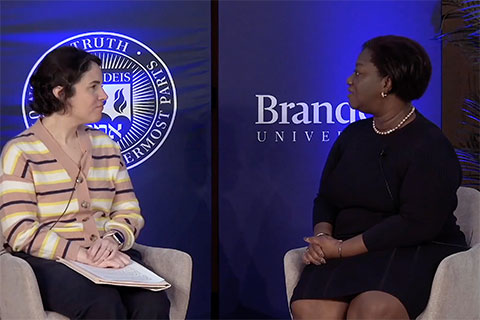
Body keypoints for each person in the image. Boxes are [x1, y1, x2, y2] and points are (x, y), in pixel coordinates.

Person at [290, 35, 468, 320]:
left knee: (370, 310)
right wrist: (323, 239)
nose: (350, 80)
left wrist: (340, 249)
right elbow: (326, 199)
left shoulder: (429, 145)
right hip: (349, 250)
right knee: (310, 308)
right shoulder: (353, 136)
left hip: (412, 248)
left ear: (386, 84)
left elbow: (416, 223)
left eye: (359, 73)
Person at [0, 46, 170, 319]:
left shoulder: (107, 146)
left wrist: (113, 239)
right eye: (93, 87)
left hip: (104, 257)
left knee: (152, 303)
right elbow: (19, 231)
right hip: (48, 262)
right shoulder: (20, 152)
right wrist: (78, 254)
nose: (104, 95)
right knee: (100, 304)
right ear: (61, 92)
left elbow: (129, 211)